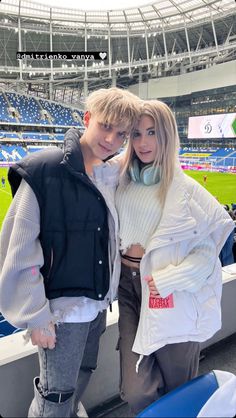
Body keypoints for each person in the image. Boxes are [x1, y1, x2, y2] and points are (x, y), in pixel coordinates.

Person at [0, 87, 141, 417]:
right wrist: (35, 317)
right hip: (61, 317)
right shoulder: (44, 170)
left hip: (95, 309)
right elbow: (17, 250)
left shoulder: (107, 177)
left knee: (80, 379)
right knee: (56, 397)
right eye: (105, 126)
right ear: (87, 118)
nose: (110, 139)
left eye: (121, 134)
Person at [114, 99, 235, 414]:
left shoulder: (187, 190)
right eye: (136, 134)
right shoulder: (122, 181)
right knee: (135, 391)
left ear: (166, 135)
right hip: (129, 291)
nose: (142, 142)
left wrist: (169, 280)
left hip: (171, 294)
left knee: (179, 386)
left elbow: (209, 256)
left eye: (151, 132)